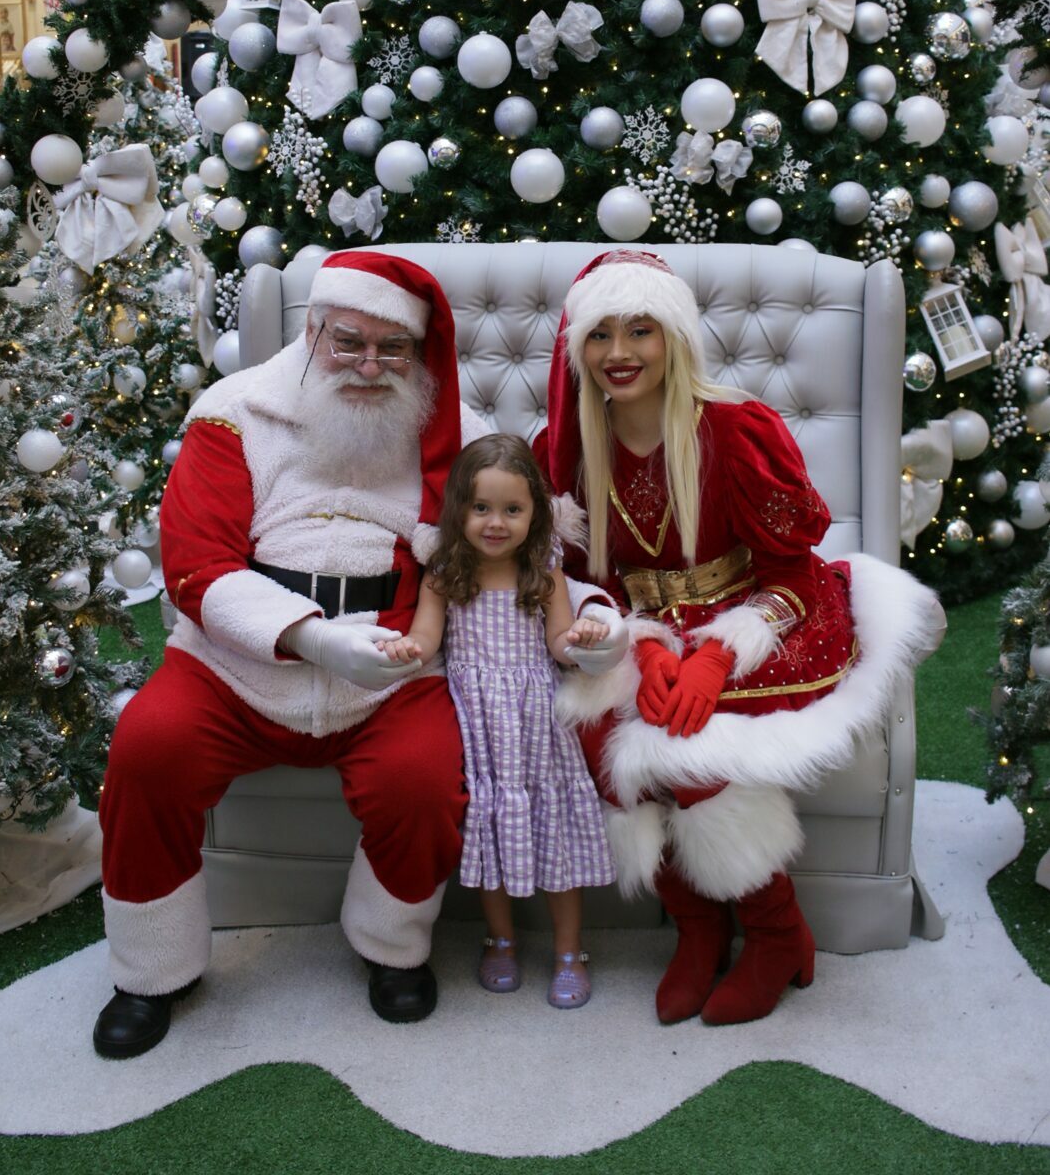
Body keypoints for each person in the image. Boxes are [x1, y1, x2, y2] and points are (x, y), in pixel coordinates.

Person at [93, 249, 627, 1059]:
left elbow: (530, 553)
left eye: (392, 348)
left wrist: (589, 617)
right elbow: (197, 565)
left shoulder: (456, 436)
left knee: (423, 781)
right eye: (349, 341)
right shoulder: (232, 414)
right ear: (312, 331)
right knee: (147, 750)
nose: (370, 364)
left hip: (394, 666)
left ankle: (390, 947)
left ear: (418, 352)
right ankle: (150, 971)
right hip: (233, 667)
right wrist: (309, 636)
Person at [535, 248, 941, 1028]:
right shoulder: (567, 447)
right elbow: (585, 583)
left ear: (674, 338)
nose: (618, 352)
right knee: (595, 736)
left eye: (640, 330)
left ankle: (777, 934)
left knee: (689, 745)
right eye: (600, 335)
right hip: (643, 630)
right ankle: (697, 930)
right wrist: (641, 645)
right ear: (576, 348)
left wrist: (719, 653)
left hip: (758, 614)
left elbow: (792, 572)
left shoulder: (735, 428)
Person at [380, 433, 616, 1009]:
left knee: (555, 834)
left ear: (535, 514)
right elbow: (426, 637)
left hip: (537, 725)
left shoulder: (543, 571)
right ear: (458, 509)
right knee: (490, 831)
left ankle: (569, 951)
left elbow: (558, 644)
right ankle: (500, 940)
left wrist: (582, 637)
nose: (495, 523)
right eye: (481, 507)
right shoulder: (444, 574)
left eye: (512, 509)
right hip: (480, 725)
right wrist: (406, 647)